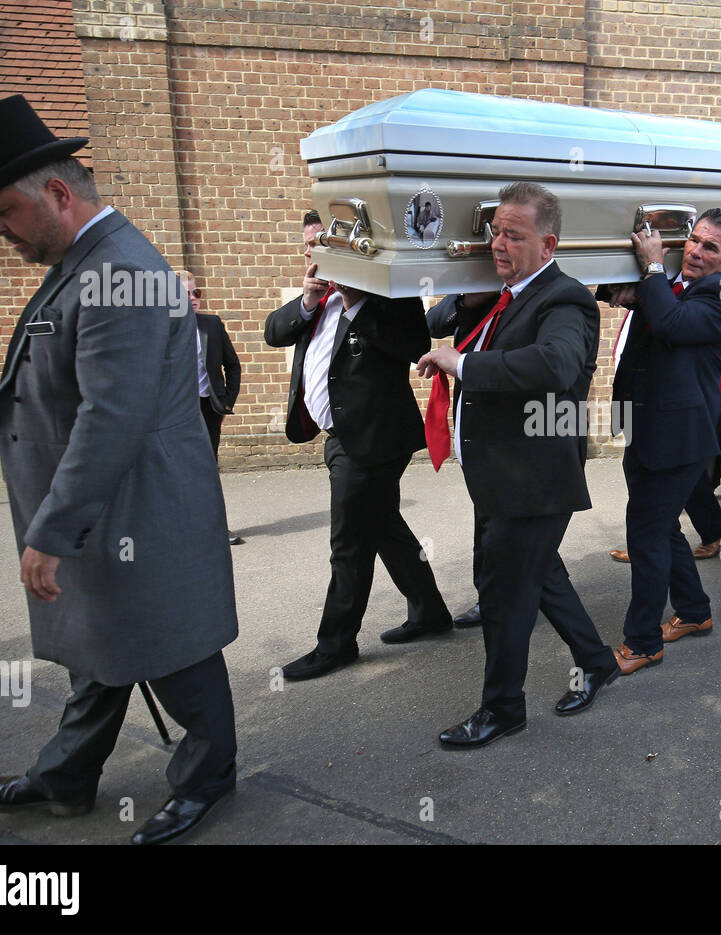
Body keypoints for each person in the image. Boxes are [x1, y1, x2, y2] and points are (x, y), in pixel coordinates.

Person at [0, 95, 238, 845]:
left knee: (174, 652)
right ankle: (67, 775)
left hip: (135, 513)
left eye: (2, 210)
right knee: (98, 650)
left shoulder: (119, 271)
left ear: (59, 194)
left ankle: (207, 779)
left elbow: (111, 416)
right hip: (107, 514)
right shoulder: (88, 261)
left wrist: (51, 530)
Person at [419, 181, 618, 747]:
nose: (498, 243)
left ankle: (503, 709)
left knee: (505, 592)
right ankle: (596, 660)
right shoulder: (501, 294)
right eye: (495, 231)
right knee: (539, 573)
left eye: (513, 234)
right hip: (499, 475)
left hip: (533, 480)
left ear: (548, 244)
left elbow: (555, 365)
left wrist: (465, 365)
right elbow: (437, 320)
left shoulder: (564, 298)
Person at [265, 213, 452, 679]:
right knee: (384, 526)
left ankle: (336, 644)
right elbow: (274, 332)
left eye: (322, 244)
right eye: (309, 244)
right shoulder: (315, 295)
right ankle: (430, 613)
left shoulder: (386, 290)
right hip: (340, 437)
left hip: (372, 440)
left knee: (349, 543)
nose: (313, 252)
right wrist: (308, 302)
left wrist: (355, 304)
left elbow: (413, 343)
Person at [606, 208, 721, 666]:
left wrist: (651, 270)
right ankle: (694, 611)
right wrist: (634, 291)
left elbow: (670, 324)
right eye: (695, 240)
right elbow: (651, 312)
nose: (697, 251)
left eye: (712, 247)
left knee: (645, 537)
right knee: (659, 529)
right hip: (648, 428)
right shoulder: (678, 287)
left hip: (678, 440)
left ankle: (643, 642)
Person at [184, 272, 245, 545]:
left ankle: (216, 527)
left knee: (208, 468)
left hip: (208, 406)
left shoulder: (211, 325)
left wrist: (227, 400)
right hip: (176, 410)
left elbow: (232, 365)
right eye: (186, 294)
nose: (193, 299)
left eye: (196, 293)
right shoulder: (159, 329)